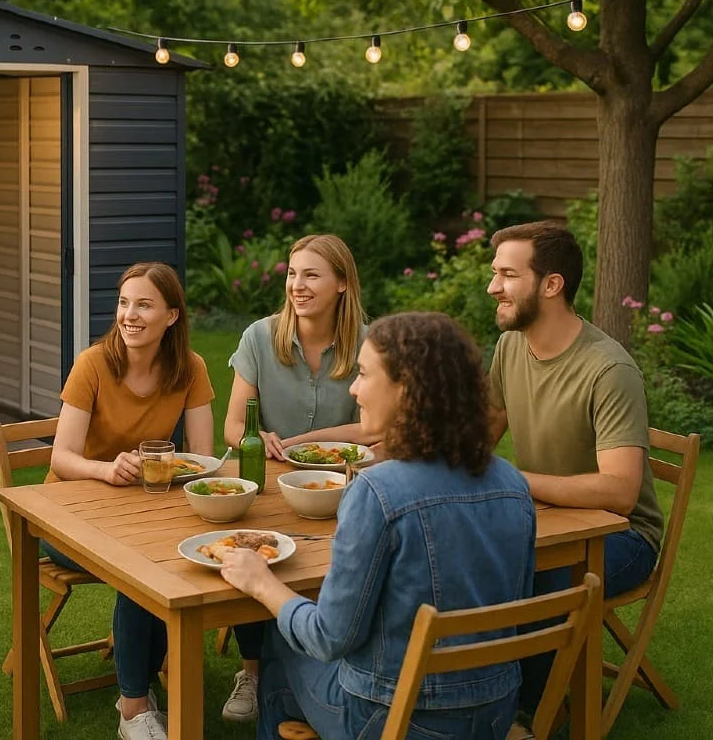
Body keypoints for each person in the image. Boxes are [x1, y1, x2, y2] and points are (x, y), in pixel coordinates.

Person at [221, 312, 536, 740]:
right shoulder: (513, 485)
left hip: (396, 719)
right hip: (495, 714)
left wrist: (262, 583)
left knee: (281, 642)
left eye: (364, 374)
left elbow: (328, 638)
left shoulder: (378, 492)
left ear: (407, 389)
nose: (354, 388)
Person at [485, 221, 662, 720]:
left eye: (507, 275)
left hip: (621, 537)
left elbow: (621, 492)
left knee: (538, 580)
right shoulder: (510, 347)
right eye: (495, 273)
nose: (493, 287)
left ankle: (523, 718)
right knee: (454, 553)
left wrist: (515, 481)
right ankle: (460, 697)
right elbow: (480, 436)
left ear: (552, 284)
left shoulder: (609, 370)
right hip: (544, 520)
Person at [48, 261, 214, 740]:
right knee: (140, 572)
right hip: (68, 515)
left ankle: (139, 684)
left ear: (172, 316)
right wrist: (107, 469)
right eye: (124, 303)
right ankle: (134, 709)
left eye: (143, 305)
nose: (129, 315)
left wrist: (175, 469)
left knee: (173, 562)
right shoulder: (93, 364)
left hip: (145, 509)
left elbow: (203, 458)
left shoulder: (190, 368)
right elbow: (61, 457)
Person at [220, 233, 378, 722]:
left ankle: (314, 658)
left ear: (342, 284)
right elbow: (232, 425)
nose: (297, 285)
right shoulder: (260, 337)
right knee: (250, 544)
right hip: (268, 481)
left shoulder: (369, 343)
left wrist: (310, 439)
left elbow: (376, 429)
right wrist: (260, 435)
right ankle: (253, 671)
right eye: (292, 274)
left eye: (311, 275)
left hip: (338, 488)